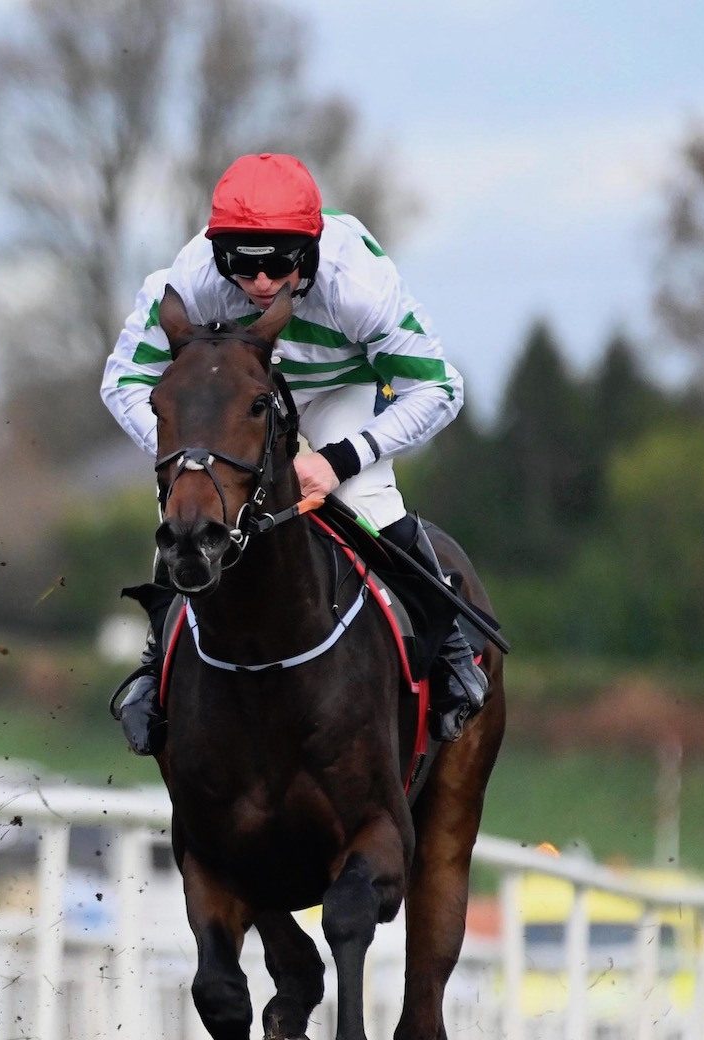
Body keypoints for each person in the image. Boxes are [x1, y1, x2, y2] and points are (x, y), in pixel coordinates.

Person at [99, 151, 488, 757]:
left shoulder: (357, 286)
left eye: (279, 264)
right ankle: (156, 667)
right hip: (237, 400)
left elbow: (441, 388)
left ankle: (451, 652)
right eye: (241, 265)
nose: (259, 283)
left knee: (366, 500)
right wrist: (193, 459)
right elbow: (122, 379)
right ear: (215, 252)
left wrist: (339, 459)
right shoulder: (192, 280)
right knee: (187, 511)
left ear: (310, 248)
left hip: (341, 387)